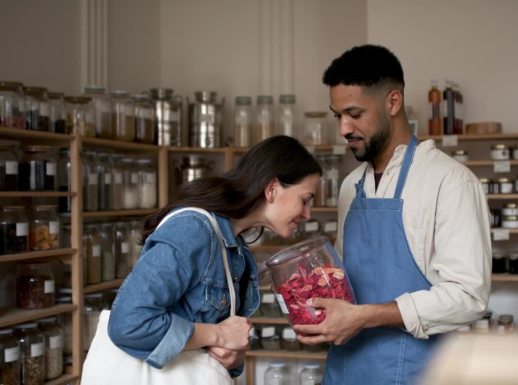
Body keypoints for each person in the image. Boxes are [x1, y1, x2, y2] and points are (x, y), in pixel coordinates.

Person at [293, 45, 492, 385]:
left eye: (355, 113)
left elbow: (468, 297)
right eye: (337, 115)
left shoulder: (450, 182)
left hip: (416, 373)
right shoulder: (351, 186)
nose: (343, 128)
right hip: (344, 371)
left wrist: (364, 317)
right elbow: (349, 282)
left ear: (393, 102)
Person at [81, 135, 322, 385]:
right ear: (272, 189)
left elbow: (214, 343)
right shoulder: (193, 230)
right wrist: (218, 335)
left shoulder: (234, 247)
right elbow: (129, 323)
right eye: (304, 200)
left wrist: (232, 356)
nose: (307, 214)